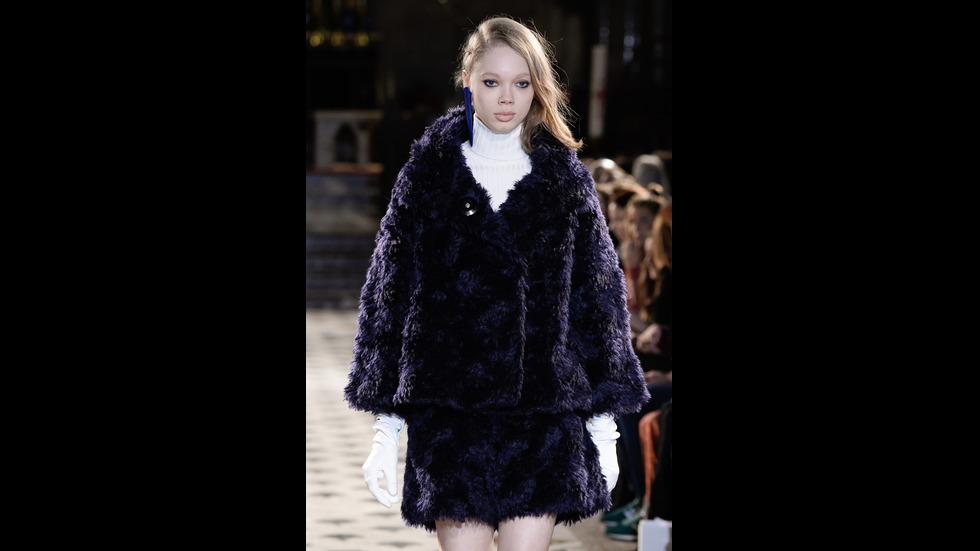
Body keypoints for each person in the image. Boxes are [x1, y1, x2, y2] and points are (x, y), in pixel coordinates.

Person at [344, 15, 650, 551]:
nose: (506, 98)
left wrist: (604, 426)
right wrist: (386, 428)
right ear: (468, 80)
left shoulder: (564, 180)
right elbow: (388, 299)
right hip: (451, 419)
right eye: (491, 82)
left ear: (537, 86)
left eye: (521, 82)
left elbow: (598, 302)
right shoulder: (429, 175)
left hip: (541, 417)